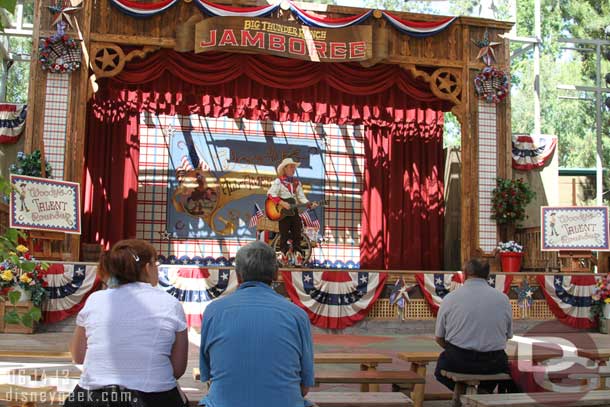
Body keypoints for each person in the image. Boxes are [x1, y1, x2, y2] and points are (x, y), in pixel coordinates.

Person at [66, 239, 189, 407]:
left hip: (93, 397)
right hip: (155, 397)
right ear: (147, 267)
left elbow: (78, 356)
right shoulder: (170, 303)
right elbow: (178, 369)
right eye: (156, 264)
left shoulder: (95, 300)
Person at [199, 240, 315, 407]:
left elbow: (208, 377)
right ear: (276, 274)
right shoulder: (297, 315)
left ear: (238, 276)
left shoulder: (213, 311)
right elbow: (304, 387)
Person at [434, 258, 517, 394]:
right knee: (504, 367)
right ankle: (484, 391)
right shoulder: (503, 299)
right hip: (493, 363)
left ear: (465, 274)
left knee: (439, 370)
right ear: (488, 276)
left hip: (459, 362)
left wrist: (457, 349)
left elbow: (439, 338)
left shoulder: (450, 298)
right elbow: (507, 336)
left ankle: (465, 391)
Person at [267, 157, 317, 266]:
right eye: (291, 167)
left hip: (294, 211)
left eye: (294, 167)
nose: (293, 169)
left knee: (297, 232)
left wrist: (309, 204)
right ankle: (284, 255)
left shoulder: (296, 182)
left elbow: (301, 197)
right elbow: (271, 194)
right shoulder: (278, 181)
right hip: (283, 212)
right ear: (285, 168)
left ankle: (298, 254)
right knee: (284, 234)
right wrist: (281, 202)